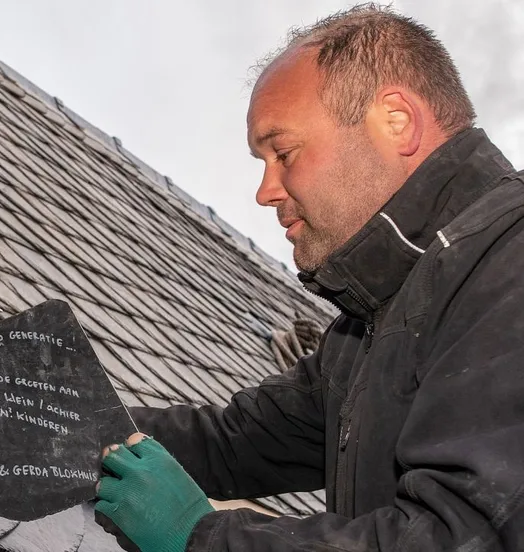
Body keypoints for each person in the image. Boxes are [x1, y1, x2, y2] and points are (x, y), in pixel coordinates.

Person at [93, 4, 524, 552]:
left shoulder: (508, 261)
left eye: (284, 152)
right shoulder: (369, 325)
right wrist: (75, 424)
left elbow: (464, 536)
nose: (265, 190)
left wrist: (201, 539)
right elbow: (235, 443)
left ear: (396, 120)